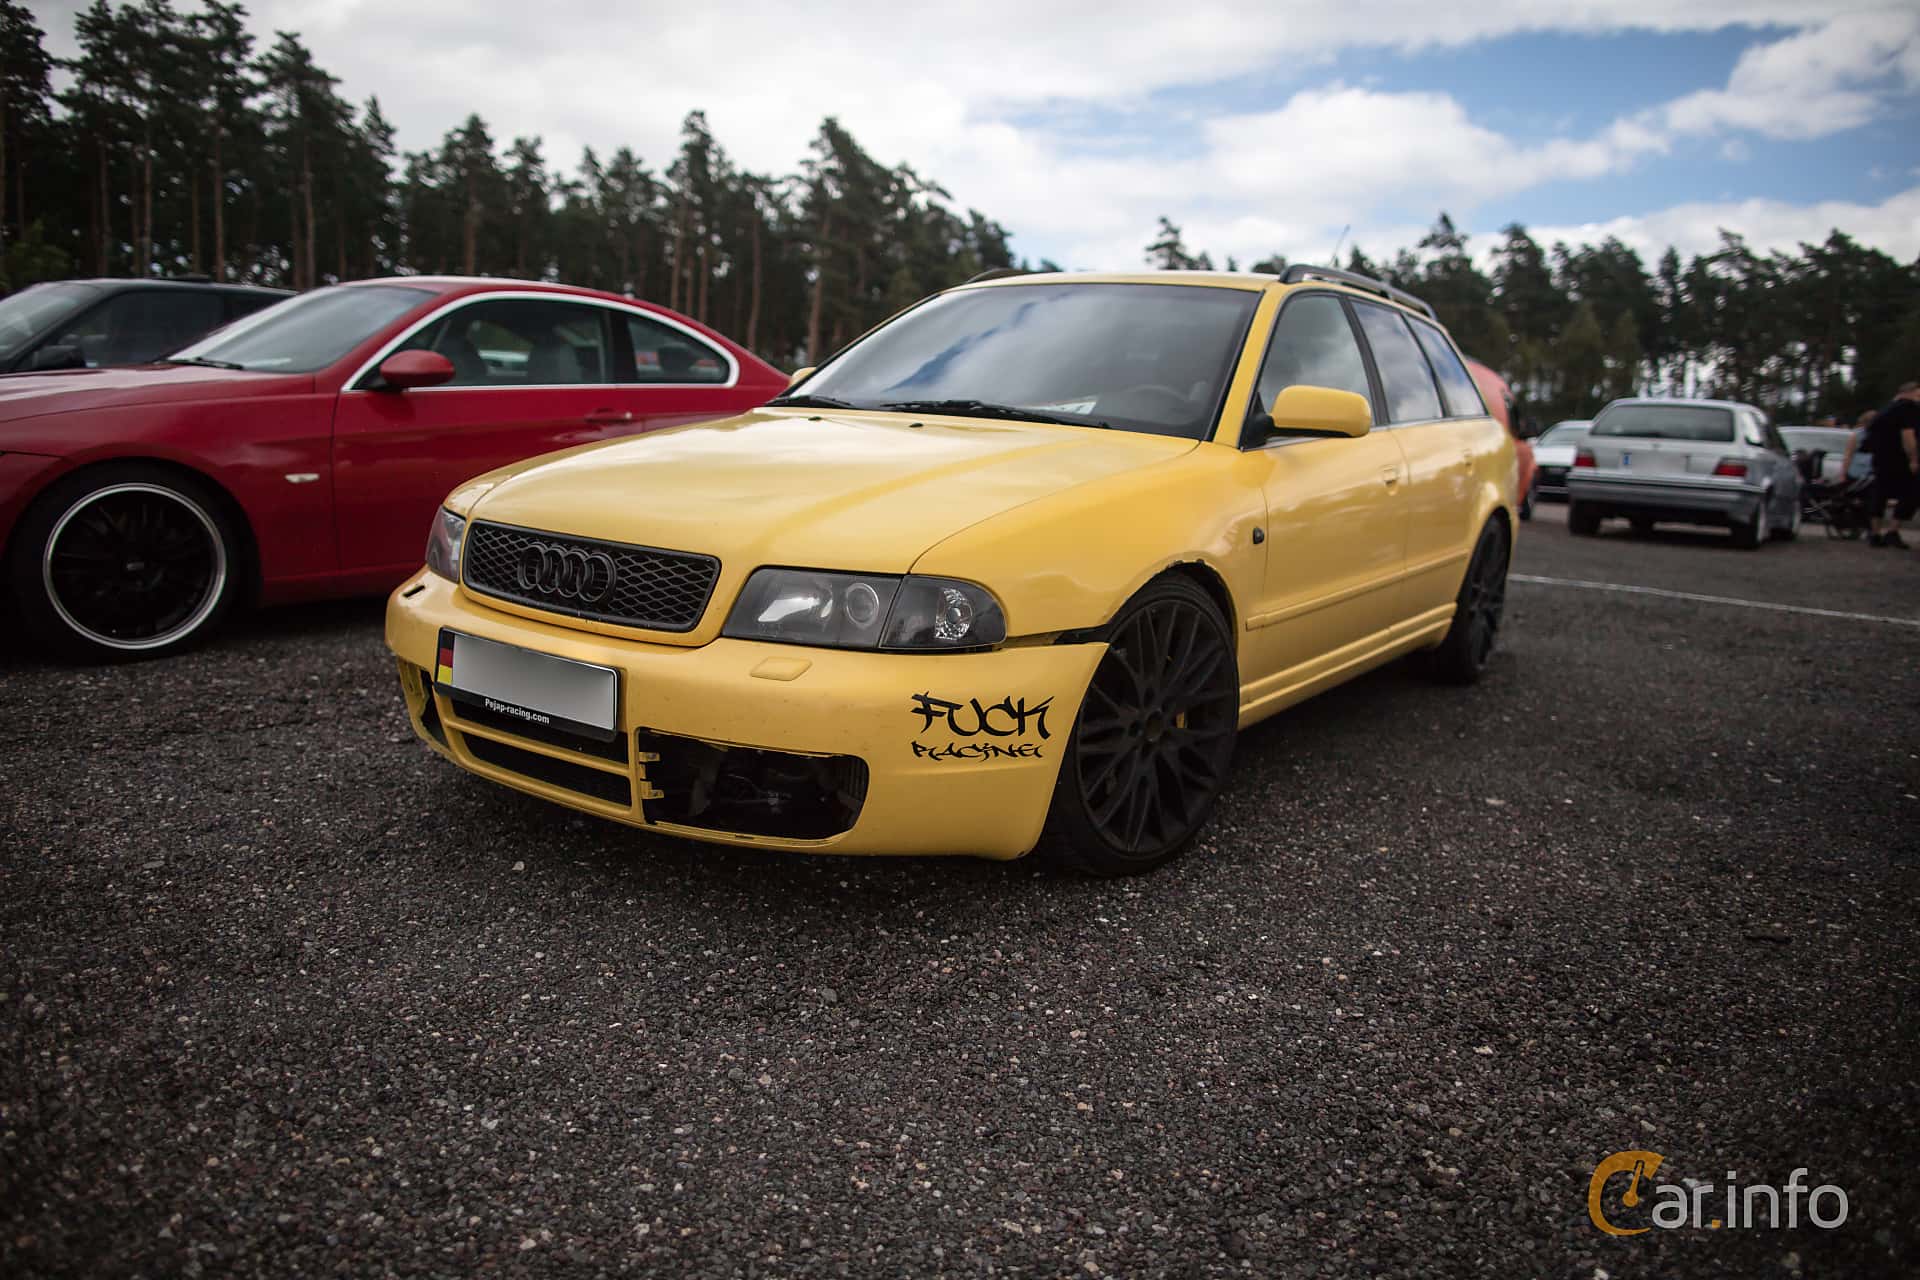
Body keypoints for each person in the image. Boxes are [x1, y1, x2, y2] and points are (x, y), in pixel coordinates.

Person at [1864, 383, 1920, 548]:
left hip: (1881, 459)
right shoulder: (1907, 408)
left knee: (1879, 495)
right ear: (1909, 393)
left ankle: (1875, 534)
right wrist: (1914, 459)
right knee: (1912, 493)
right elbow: (1908, 436)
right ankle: (1893, 531)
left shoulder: (1883, 411)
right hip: (1900, 460)